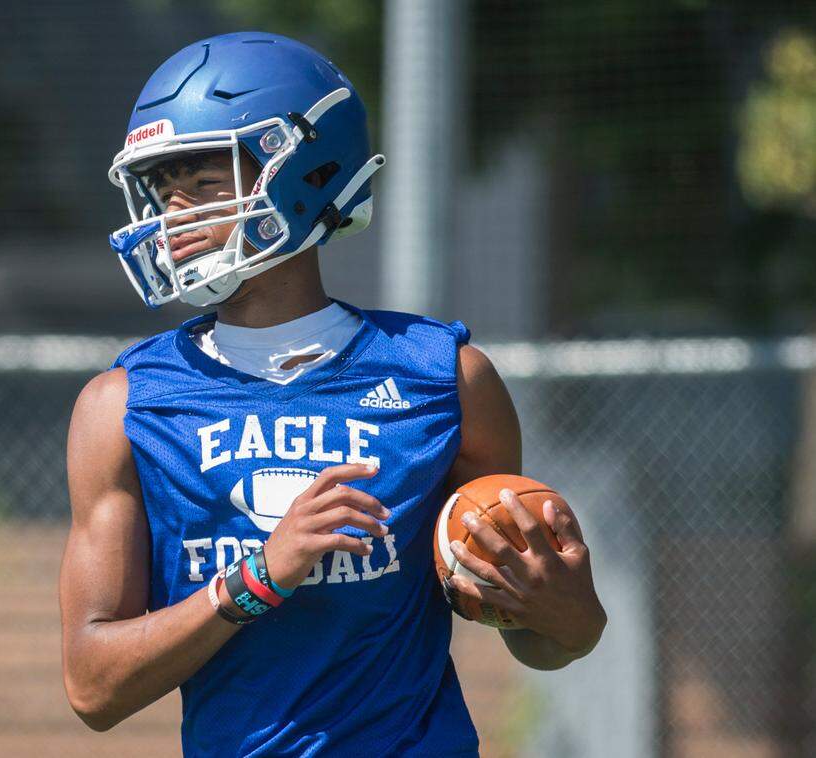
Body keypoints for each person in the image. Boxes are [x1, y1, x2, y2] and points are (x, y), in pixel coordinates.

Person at [60, 31, 605, 756]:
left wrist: (569, 615)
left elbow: (537, 639)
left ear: (306, 170)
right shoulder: (124, 405)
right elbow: (93, 688)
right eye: (163, 190)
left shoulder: (445, 377)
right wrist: (254, 581)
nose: (173, 216)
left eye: (205, 183)